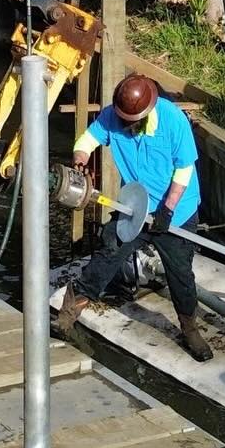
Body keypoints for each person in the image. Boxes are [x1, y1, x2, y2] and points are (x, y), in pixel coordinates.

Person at [54, 73, 212, 362]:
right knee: (109, 248)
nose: (124, 126)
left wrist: (167, 209)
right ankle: (70, 311)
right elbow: (87, 140)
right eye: (122, 120)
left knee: (180, 273)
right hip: (136, 207)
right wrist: (80, 159)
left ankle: (190, 328)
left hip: (176, 211)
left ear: (146, 113)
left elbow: (184, 169)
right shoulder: (112, 116)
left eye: (130, 122)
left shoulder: (173, 120)